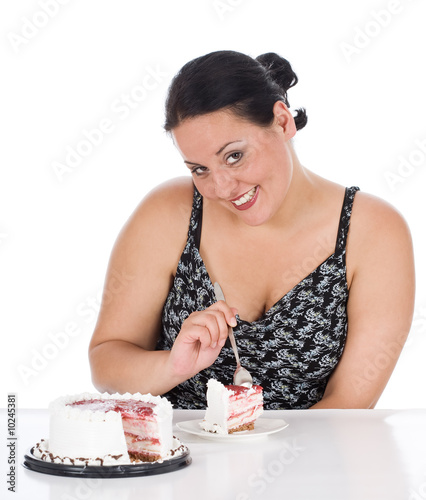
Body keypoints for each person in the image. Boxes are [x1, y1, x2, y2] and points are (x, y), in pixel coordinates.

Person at [89, 50, 415, 409]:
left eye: (234, 156)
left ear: (282, 120)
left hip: (310, 463)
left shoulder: (374, 232)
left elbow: (349, 406)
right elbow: (106, 362)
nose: (222, 188)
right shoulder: (170, 212)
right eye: (200, 169)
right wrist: (172, 366)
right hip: (175, 461)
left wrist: (258, 463)